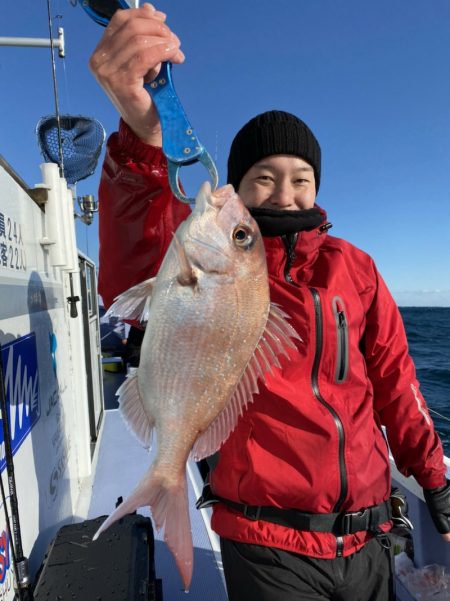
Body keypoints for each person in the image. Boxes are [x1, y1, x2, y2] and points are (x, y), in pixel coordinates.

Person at [89, 5, 450, 600]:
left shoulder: (354, 269)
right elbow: (135, 254)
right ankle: (166, 478)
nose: (285, 192)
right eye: (262, 177)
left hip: (369, 535)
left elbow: (395, 381)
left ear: (319, 185)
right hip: (265, 539)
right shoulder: (212, 260)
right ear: (237, 183)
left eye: (301, 176)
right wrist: (141, 137)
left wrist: (433, 477)